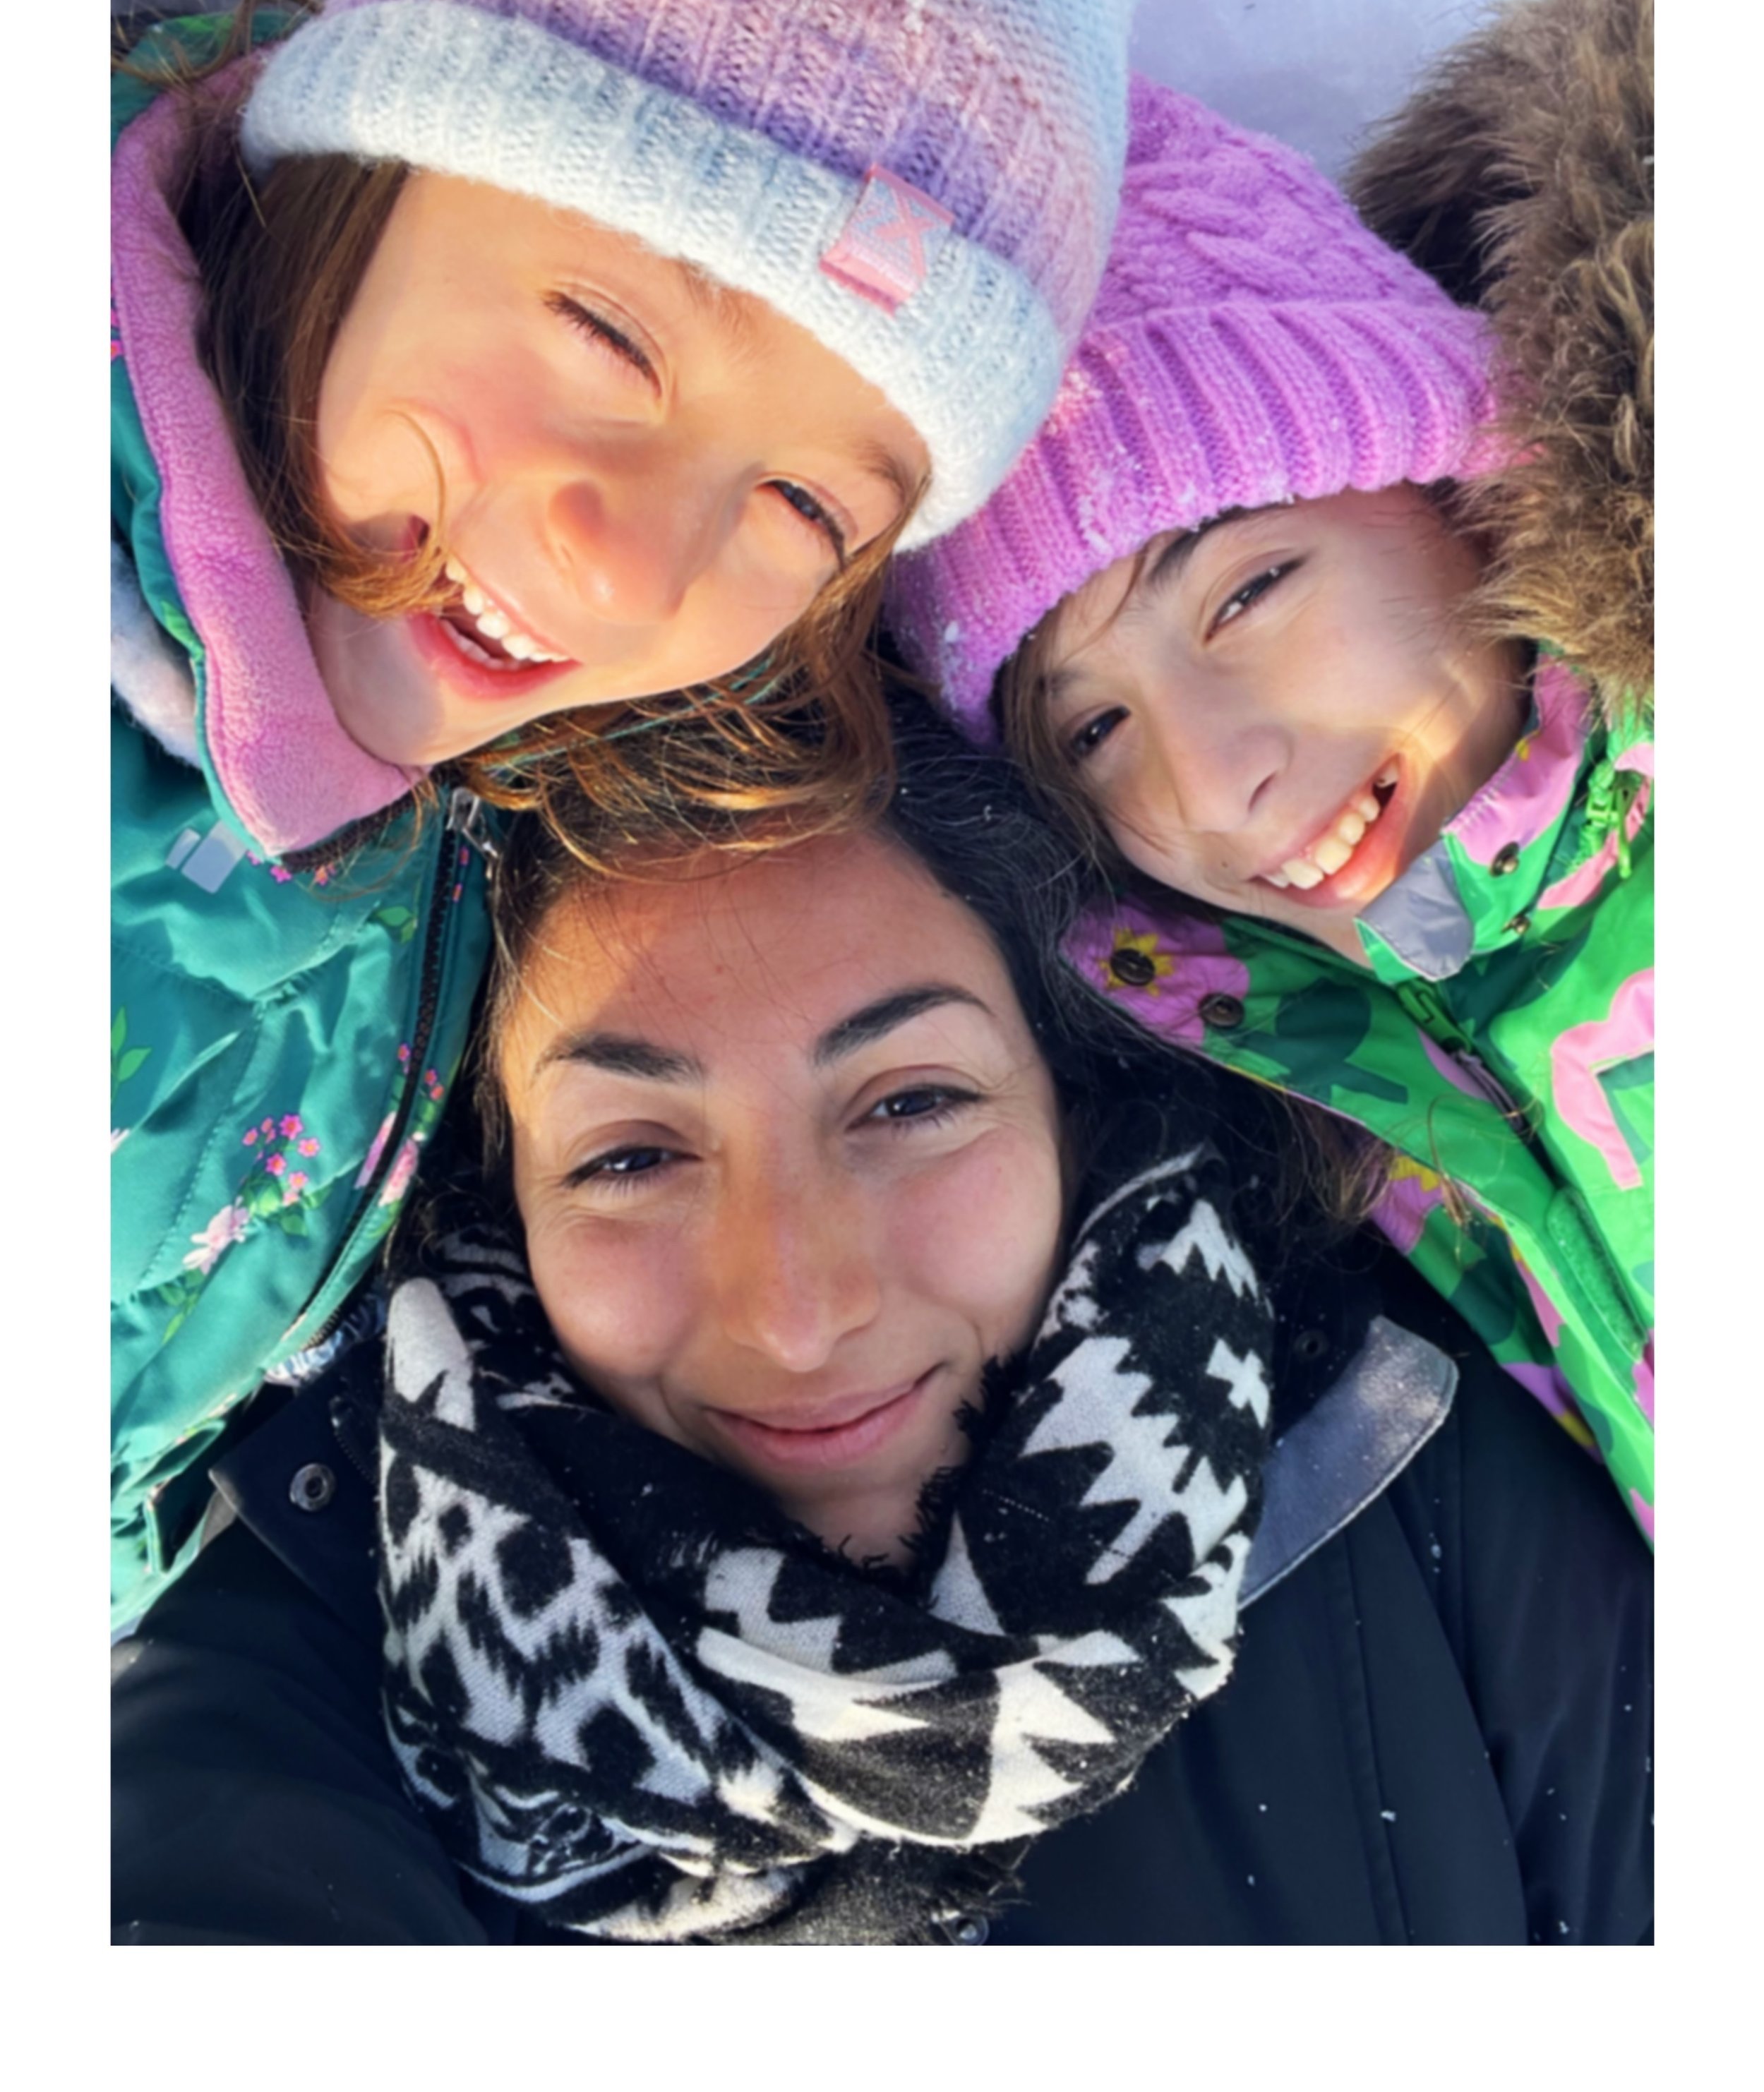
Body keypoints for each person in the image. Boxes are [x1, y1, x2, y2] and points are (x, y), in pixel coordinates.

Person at [112, 695, 1652, 1944]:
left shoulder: (1405, 1444)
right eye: (630, 1155)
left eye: (910, 1100)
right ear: (500, 1194)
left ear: (1072, 1094)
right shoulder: (312, 1623)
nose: (795, 1310)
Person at [111, 0, 1146, 1628]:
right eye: (606, 335)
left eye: (809, 503)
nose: (630, 567)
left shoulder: (516, 777)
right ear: (360, 175)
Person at [887, 0, 1654, 1543]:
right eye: (1088, 727)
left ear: (1459, 472)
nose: (1211, 780)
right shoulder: (1331, 1064)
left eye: (1243, 594)